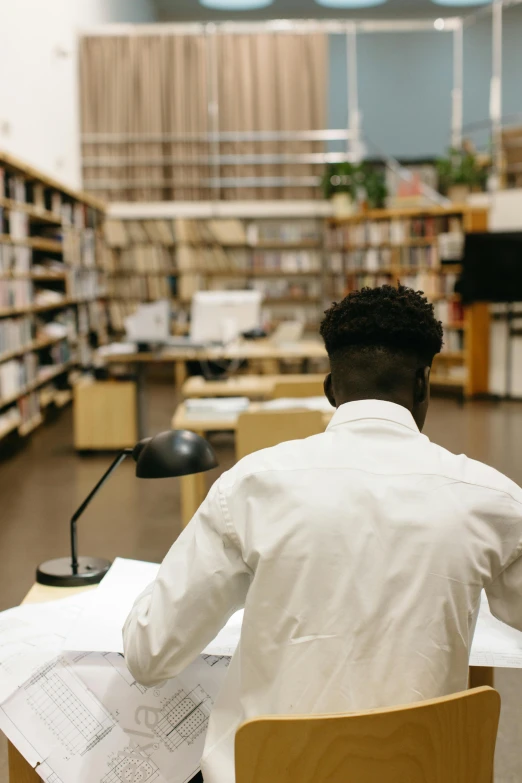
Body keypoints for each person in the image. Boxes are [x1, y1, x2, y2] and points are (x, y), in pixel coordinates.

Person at [124, 284, 522, 783]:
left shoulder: (251, 486)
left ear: (331, 388)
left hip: (275, 772)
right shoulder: (493, 498)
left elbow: (149, 655)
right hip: (427, 770)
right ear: (424, 385)